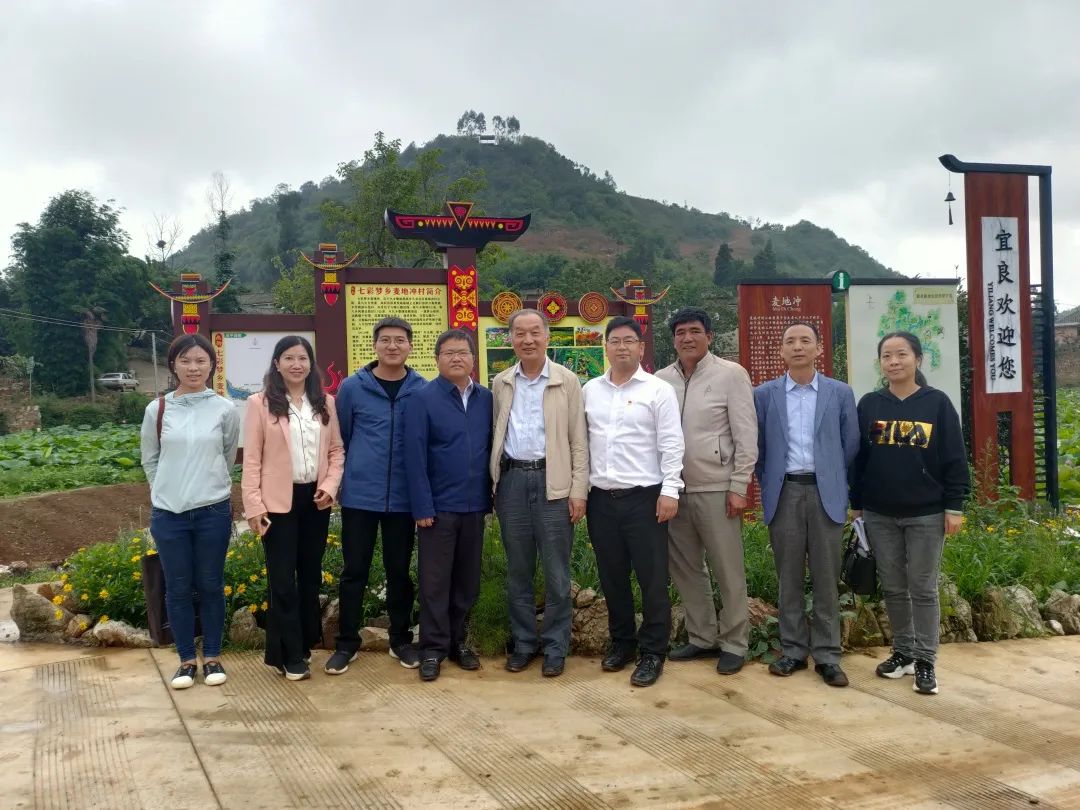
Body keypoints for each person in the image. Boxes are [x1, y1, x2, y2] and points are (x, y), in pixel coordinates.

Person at [850, 331, 969, 696]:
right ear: (880, 363)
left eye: (901, 354)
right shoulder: (870, 404)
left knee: (923, 587)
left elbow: (955, 458)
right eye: (887, 356)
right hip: (879, 513)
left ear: (917, 358)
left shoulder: (937, 403)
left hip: (926, 514)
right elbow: (859, 460)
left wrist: (954, 507)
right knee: (893, 587)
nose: (894, 361)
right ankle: (902, 652)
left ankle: (925, 660)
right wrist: (857, 503)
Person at [753, 322, 859, 687]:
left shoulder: (839, 393)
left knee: (827, 579)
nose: (797, 347)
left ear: (818, 349)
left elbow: (850, 444)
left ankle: (828, 656)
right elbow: (759, 448)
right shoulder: (764, 395)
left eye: (805, 341)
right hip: (785, 493)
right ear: (781, 351)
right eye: (790, 341)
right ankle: (794, 651)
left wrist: (833, 477)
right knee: (789, 578)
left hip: (825, 493)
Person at [655, 307, 758, 675]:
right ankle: (702, 637)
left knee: (728, 569)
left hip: (717, 487)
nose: (687, 338)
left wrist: (739, 485)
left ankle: (735, 642)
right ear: (673, 340)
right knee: (686, 569)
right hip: (674, 490)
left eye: (695, 331)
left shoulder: (731, 374)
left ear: (709, 336)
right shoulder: (660, 380)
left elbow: (746, 434)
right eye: (680, 332)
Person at [583, 316, 684, 687]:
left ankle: (654, 651)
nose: (621, 346)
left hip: (645, 498)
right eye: (615, 340)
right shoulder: (590, 390)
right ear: (606, 347)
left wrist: (670, 490)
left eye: (629, 340)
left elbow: (671, 443)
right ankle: (622, 643)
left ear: (641, 348)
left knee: (652, 578)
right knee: (612, 577)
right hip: (600, 499)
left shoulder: (658, 390)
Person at [490, 309, 589, 678]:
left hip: (554, 483)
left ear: (547, 336)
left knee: (557, 572)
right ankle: (524, 643)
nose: (527, 340)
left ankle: (555, 646)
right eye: (520, 333)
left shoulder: (566, 380)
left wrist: (578, 490)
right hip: (512, 481)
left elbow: (578, 441)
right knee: (518, 571)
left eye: (535, 332)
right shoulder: (501, 382)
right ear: (510, 339)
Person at [325, 317, 426, 676]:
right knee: (354, 571)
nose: (393, 346)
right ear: (375, 345)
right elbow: (343, 438)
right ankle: (346, 643)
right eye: (385, 340)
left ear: (410, 346)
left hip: (403, 498)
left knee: (399, 571)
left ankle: (400, 640)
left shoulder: (421, 388)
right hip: (360, 496)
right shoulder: (353, 387)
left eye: (400, 340)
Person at [241, 336, 344, 681]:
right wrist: (254, 506)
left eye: (302, 358)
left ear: (311, 364)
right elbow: (252, 459)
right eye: (289, 358)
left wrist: (330, 486)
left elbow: (336, 451)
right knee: (282, 579)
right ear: (277, 363)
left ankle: (302, 645)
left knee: (310, 576)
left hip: (315, 500)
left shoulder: (325, 402)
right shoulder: (260, 404)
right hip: (276, 504)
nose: (296, 364)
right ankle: (288, 655)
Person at [140, 333, 240, 690]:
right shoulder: (157, 409)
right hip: (169, 516)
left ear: (212, 365)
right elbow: (150, 459)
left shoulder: (225, 409)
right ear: (173, 365)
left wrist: (207, 484)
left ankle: (211, 656)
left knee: (211, 584)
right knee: (178, 587)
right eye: (185, 361)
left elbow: (227, 455)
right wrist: (165, 491)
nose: (193, 368)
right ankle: (185, 660)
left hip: (212, 511)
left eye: (200, 361)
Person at [404, 329, 493, 682]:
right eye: (449, 353)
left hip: (474, 506)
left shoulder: (486, 398)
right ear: (437, 359)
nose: (457, 358)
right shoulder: (422, 399)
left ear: (473, 358)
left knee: (467, 581)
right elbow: (414, 457)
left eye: (463, 352)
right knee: (435, 582)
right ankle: (432, 648)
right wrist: (422, 507)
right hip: (438, 508)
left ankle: (459, 643)